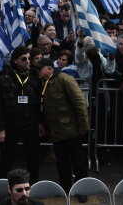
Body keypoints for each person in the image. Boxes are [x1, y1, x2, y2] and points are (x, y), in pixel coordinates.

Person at [37, 57, 89, 194]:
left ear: (50, 68)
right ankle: (64, 188)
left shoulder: (65, 79)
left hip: (71, 129)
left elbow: (80, 103)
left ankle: (81, 190)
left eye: (40, 69)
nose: (38, 71)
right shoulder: (43, 82)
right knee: (61, 161)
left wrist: (83, 126)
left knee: (78, 161)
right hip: (56, 130)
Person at [0, 47, 42, 182]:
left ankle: (33, 185)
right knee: (6, 157)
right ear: (15, 61)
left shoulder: (35, 76)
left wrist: (41, 122)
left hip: (31, 122)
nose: (28, 61)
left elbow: (40, 103)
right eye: (24, 59)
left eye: (29, 58)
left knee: (33, 157)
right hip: (10, 123)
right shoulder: (3, 78)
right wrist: (1, 128)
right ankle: (2, 185)